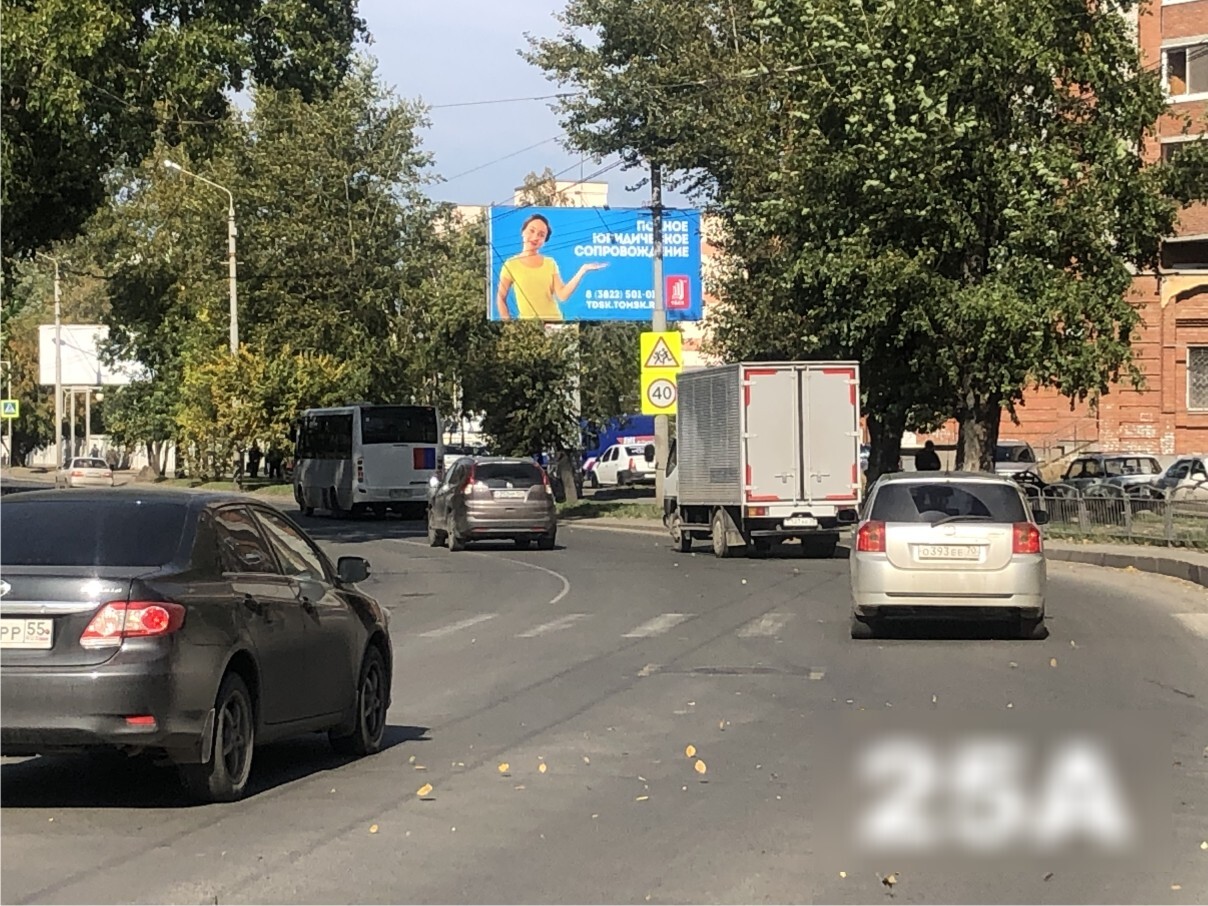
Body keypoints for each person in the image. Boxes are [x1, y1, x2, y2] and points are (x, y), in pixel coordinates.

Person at [495, 213, 607, 321]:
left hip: (554, 323)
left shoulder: (550, 263)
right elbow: (501, 298)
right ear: (523, 232)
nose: (535, 237)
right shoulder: (511, 264)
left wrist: (583, 269)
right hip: (527, 327)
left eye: (541, 235)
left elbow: (562, 295)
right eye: (532, 231)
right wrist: (509, 326)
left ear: (544, 241)